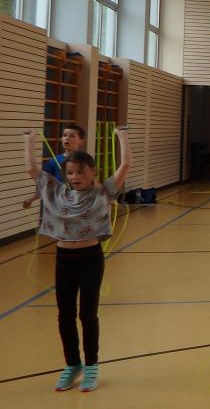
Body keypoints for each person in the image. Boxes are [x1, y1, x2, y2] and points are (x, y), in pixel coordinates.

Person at [23, 126, 130, 392]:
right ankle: (73, 364)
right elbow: (32, 170)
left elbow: (125, 164)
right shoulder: (57, 193)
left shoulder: (101, 194)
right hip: (64, 259)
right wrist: (28, 141)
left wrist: (121, 136)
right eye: (70, 173)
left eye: (80, 172)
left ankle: (92, 365)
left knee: (87, 314)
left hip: (90, 259)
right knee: (65, 315)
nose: (74, 177)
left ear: (92, 172)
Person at [23, 124, 86, 208]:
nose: (67, 138)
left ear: (81, 141)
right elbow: (44, 183)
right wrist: (32, 198)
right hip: (58, 207)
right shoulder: (54, 161)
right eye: (64, 135)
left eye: (72, 136)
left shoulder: (86, 161)